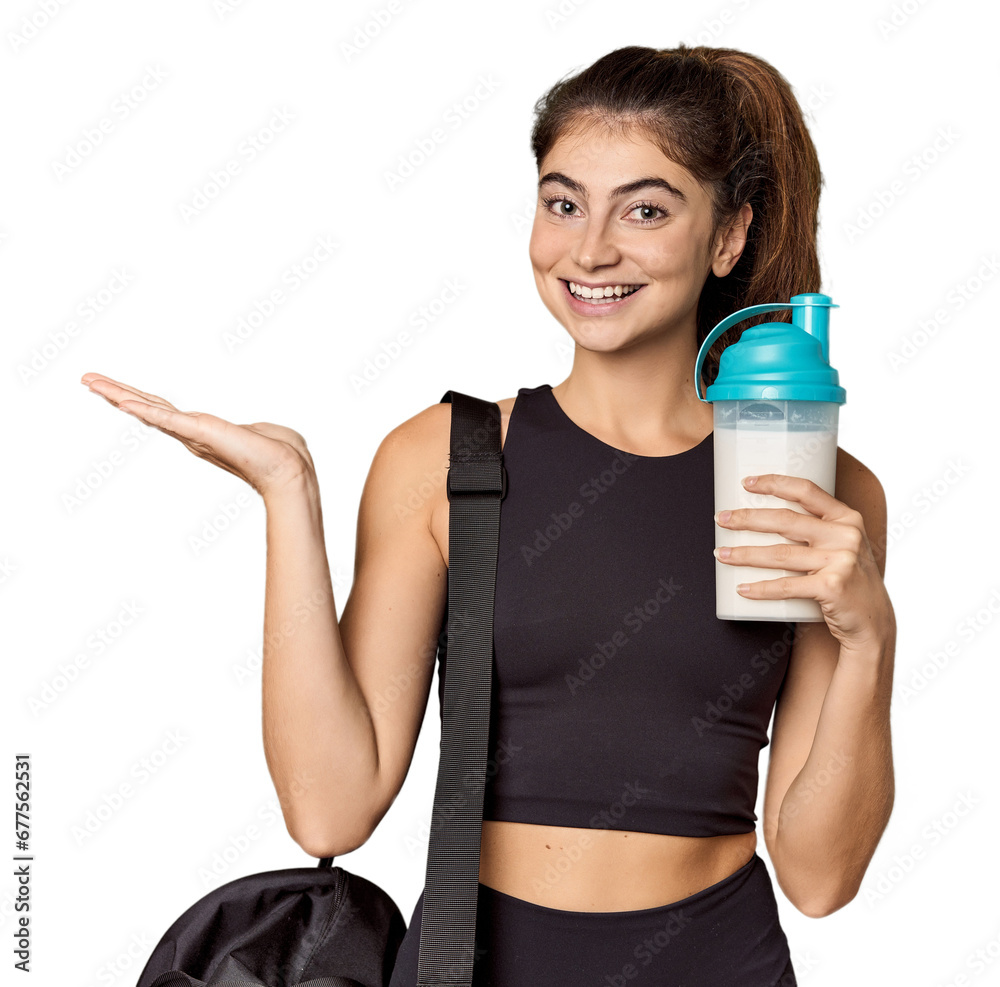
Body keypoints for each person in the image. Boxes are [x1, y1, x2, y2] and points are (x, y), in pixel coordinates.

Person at [81, 43, 896, 987]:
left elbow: (820, 875)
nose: (589, 250)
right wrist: (287, 495)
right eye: (563, 203)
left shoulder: (813, 481)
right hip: (476, 963)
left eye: (645, 209)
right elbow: (329, 810)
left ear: (729, 236)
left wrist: (871, 637)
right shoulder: (446, 458)